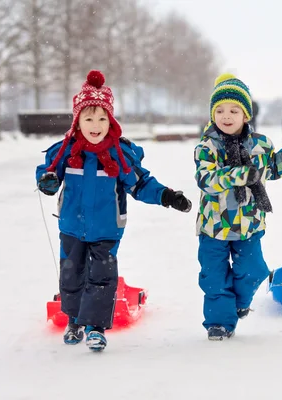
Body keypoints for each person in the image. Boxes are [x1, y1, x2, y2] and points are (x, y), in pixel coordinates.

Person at [36, 70, 192, 351]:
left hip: (107, 228)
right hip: (71, 225)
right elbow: (49, 174)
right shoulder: (65, 152)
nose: (95, 125)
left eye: (101, 119)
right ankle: (74, 320)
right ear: (77, 121)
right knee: (71, 274)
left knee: (101, 277)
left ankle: (95, 328)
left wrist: (167, 196)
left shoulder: (119, 155)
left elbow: (141, 183)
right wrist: (47, 182)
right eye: (88, 118)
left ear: (110, 121)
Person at [193, 73, 282, 340]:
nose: (226, 116)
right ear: (213, 115)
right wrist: (237, 175)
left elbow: (273, 169)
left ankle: (237, 305)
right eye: (220, 110)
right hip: (214, 226)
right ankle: (220, 323)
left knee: (254, 270)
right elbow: (205, 179)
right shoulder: (207, 146)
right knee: (214, 278)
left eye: (234, 110)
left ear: (245, 114)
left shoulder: (260, 144)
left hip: (249, 224)